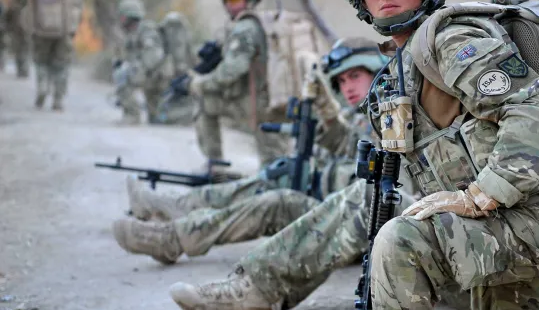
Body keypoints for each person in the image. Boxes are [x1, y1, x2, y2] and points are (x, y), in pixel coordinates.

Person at [168, 0, 539, 310]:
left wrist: (479, 195)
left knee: (399, 242)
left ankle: (248, 291)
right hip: (500, 228)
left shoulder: (452, 41)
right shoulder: (405, 64)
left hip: (526, 225)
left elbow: (530, 111)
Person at [111, 38, 389, 265]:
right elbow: (346, 145)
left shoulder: (388, 113)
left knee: (276, 201)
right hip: (335, 206)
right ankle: (173, 208)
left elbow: (371, 176)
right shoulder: (362, 113)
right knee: (271, 178)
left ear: (375, 70)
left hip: (355, 221)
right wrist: (327, 110)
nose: (348, 87)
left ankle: (171, 239)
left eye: (354, 76)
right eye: (341, 81)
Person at [188, 0, 288, 168]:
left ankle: (215, 165)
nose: (228, 5)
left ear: (250, 0)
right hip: (274, 99)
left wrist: (201, 83)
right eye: (226, 0)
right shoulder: (263, 24)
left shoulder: (245, 28)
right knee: (275, 156)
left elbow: (231, 70)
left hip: (257, 103)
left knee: (203, 100)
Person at [26, 0, 81, 111]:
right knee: (61, 66)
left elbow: (28, 12)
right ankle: (58, 99)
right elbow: (75, 11)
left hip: (40, 33)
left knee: (41, 63)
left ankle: (42, 88)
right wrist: (72, 31)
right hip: (63, 34)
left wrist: (31, 31)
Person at [113, 0, 168, 124]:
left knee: (123, 76)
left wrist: (136, 69)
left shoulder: (146, 30)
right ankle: (151, 115)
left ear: (129, 16)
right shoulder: (133, 33)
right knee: (155, 117)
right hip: (153, 74)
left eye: (122, 17)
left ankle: (133, 116)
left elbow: (154, 55)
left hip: (157, 75)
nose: (120, 20)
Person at [4, 0, 31, 78]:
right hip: (26, 33)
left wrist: (8, 29)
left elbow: (7, 19)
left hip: (16, 33)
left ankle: (20, 70)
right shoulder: (27, 7)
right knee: (25, 51)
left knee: (18, 52)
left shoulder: (12, 7)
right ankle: (24, 70)